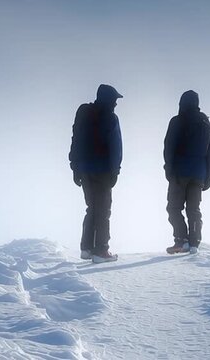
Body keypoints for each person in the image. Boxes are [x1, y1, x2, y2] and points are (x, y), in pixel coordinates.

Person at [69, 84, 123, 263]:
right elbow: (116, 147)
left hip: (84, 169)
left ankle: (86, 249)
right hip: (103, 171)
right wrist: (115, 171)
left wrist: (75, 166)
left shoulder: (83, 112)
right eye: (115, 100)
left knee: (91, 208)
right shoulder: (111, 118)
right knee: (103, 210)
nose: (116, 103)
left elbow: (75, 139)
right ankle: (101, 250)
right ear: (110, 99)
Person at [163, 90, 210, 255]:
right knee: (194, 209)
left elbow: (169, 148)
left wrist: (168, 170)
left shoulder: (177, 121)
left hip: (179, 173)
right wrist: (208, 177)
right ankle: (194, 243)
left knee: (173, 208)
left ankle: (181, 239)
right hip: (198, 175)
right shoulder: (206, 124)